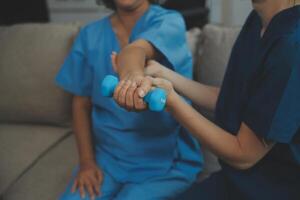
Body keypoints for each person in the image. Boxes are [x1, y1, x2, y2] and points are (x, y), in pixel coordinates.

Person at [131, 0, 300, 199]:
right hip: (235, 182)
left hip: (273, 190)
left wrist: (173, 103)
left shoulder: (291, 44)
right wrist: (165, 74)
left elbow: (244, 155)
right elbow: (232, 99)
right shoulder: (257, 20)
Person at [55, 0, 202, 199]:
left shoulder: (168, 21)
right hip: (107, 160)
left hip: (167, 163)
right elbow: (80, 104)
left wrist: (131, 76)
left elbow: (137, 51)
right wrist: (87, 162)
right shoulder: (89, 36)